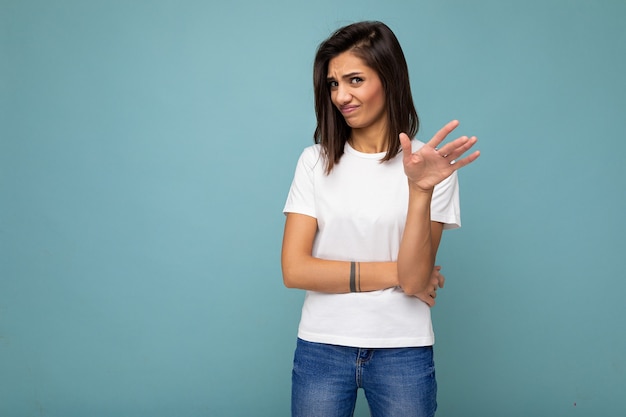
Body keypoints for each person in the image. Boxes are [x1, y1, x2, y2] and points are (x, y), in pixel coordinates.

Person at [281, 21, 479, 417]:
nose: (341, 95)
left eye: (355, 79)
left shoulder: (431, 167)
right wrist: (400, 274)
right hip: (322, 345)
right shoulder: (314, 162)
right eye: (334, 84)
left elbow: (416, 277)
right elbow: (295, 270)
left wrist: (420, 191)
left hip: (402, 349)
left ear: (389, 79)